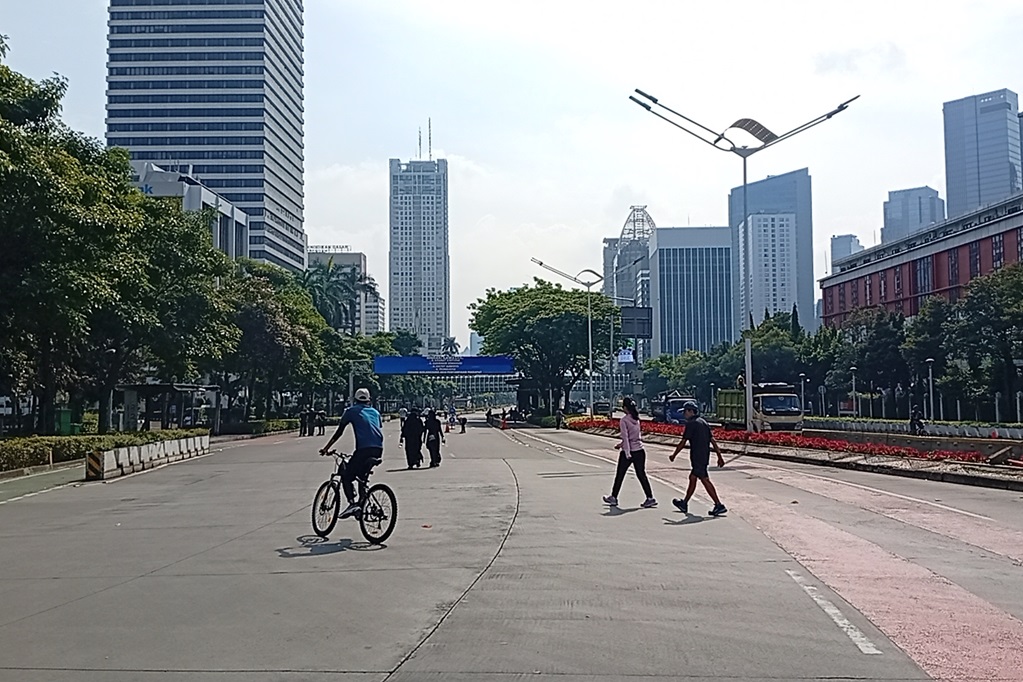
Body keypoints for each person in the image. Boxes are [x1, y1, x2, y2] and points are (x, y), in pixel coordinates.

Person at [319, 388, 384, 519]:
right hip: (378, 449)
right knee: (361, 476)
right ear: (369, 400)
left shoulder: (350, 411)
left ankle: (352, 504)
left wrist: (326, 448)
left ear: (354, 399)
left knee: (347, 475)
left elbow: (339, 432)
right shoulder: (375, 412)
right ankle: (362, 504)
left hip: (363, 450)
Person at [669, 400, 726, 516]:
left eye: (685, 411)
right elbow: (712, 440)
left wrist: (674, 455)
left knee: (703, 479)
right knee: (693, 478)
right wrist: (719, 456)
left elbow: (683, 441)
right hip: (704, 455)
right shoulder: (703, 422)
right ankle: (685, 503)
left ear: (691, 411)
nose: (684, 414)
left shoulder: (691, 424)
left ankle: (718, 504)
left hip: (698, 456)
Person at [603, 396, 657, 508]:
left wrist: (627, 453)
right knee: (641, 474)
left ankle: (614, 497)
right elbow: (633, 437)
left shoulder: (624, 420)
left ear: (625, 408)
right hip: (639, 450)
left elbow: (626, 437)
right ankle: (650, 497)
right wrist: (621, 445)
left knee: (620, 474)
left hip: (629, 451)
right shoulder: (636, 419)